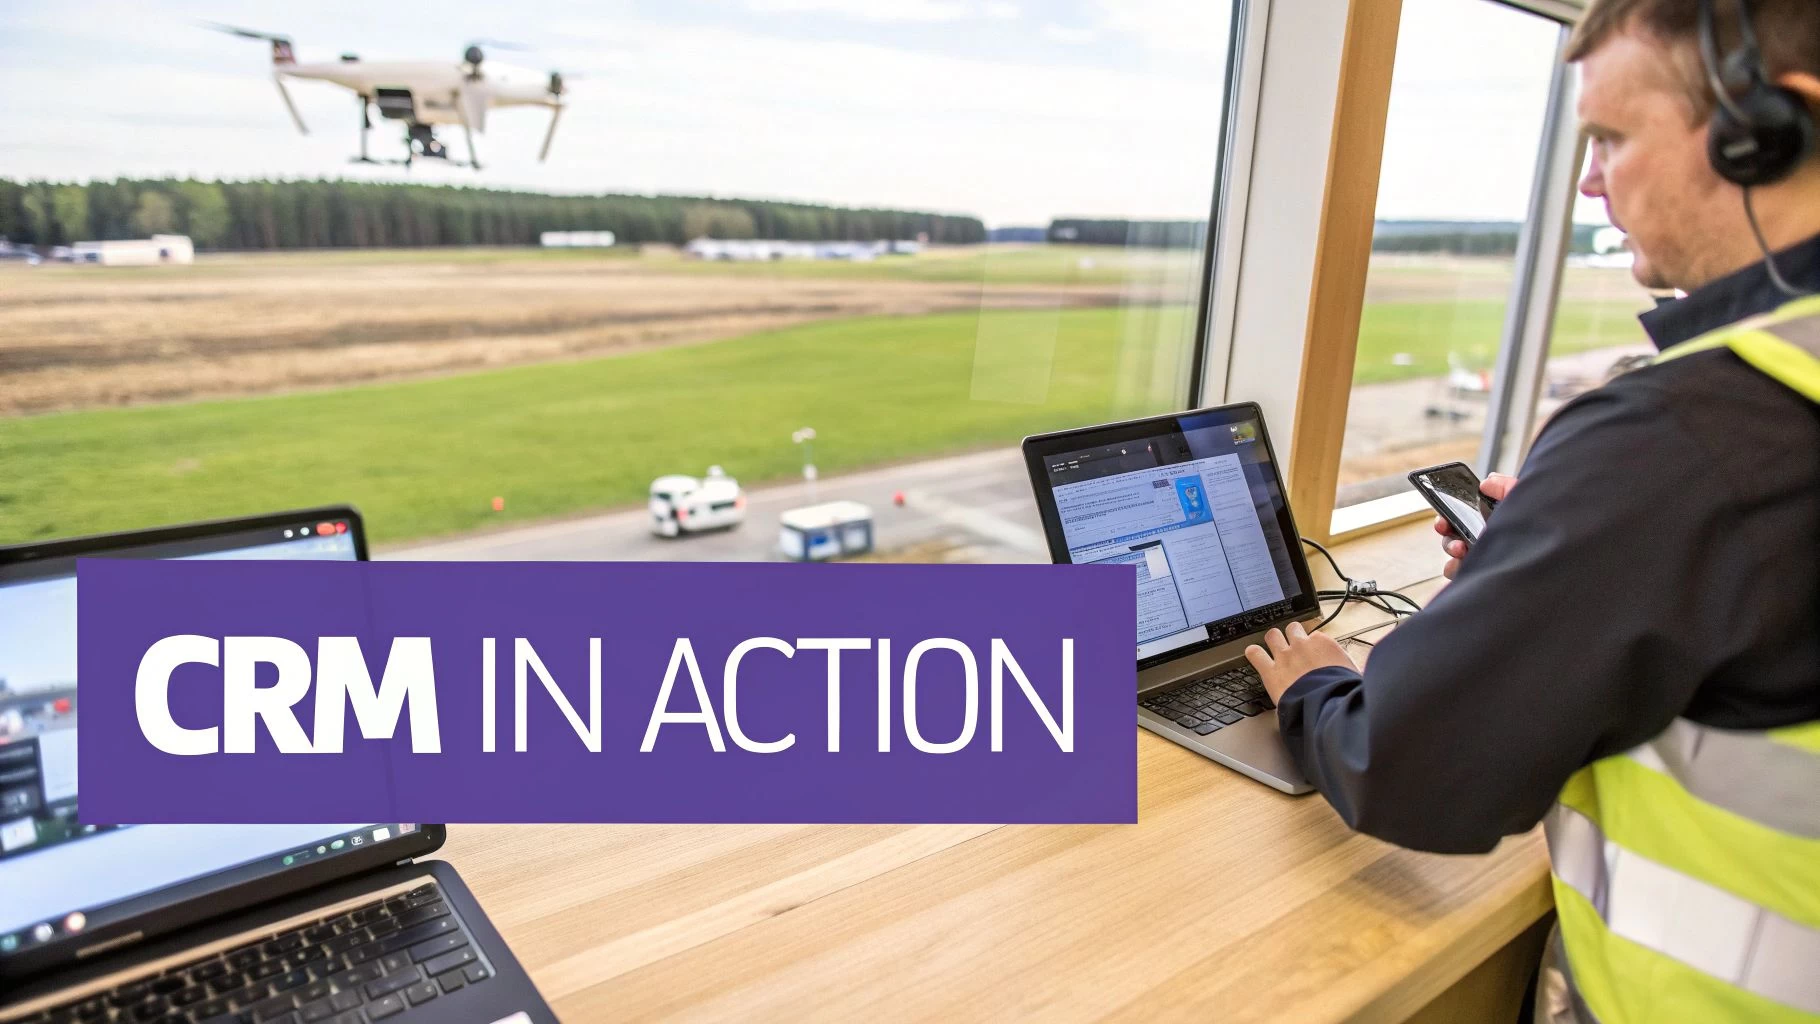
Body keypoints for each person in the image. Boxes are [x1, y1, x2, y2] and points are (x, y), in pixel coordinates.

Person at [1242, 0, 1820, 1021]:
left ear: (1765, 130)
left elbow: (1409, 768)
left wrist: (1319, 686)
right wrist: (1559, 572)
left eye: (1607, 137)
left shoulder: (1681, 436)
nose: (1588, 180)